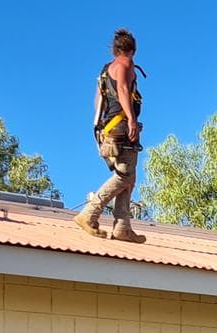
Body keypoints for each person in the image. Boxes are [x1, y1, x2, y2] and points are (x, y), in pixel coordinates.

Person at [74, 28, 147, 244]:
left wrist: (99, 128)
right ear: (132, 50)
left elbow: (98, 101)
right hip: (122, 124)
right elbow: (123, 90)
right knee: (124, 175)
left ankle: (122, 227)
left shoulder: (105, 71)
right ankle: (90, 213)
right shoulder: (125, 64)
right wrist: (131, 119)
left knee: (129, 175)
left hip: (108, 126)